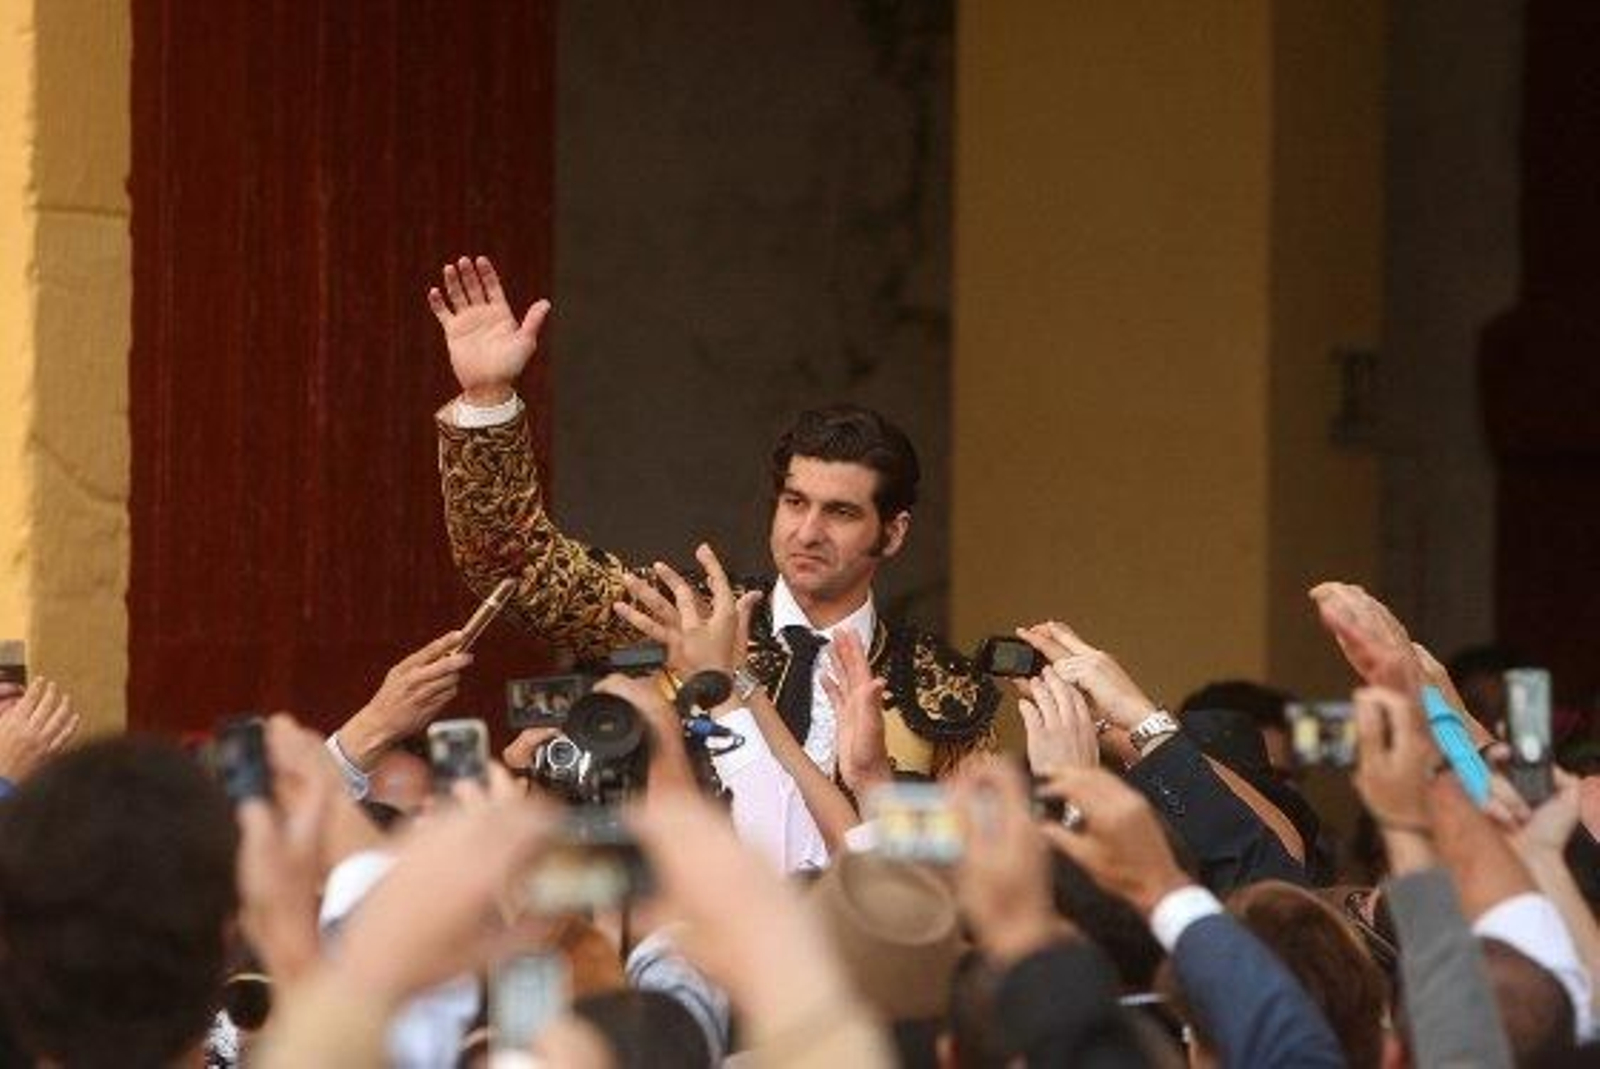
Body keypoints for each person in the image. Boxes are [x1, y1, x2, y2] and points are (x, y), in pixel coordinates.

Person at [425, 257, 996, 780]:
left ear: (893, 532)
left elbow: (973, 875)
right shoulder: (684, 619)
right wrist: (488, 396)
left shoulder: (946, 687)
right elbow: (517, 564)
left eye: (841, 512)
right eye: (795, 503)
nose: (808, 531)